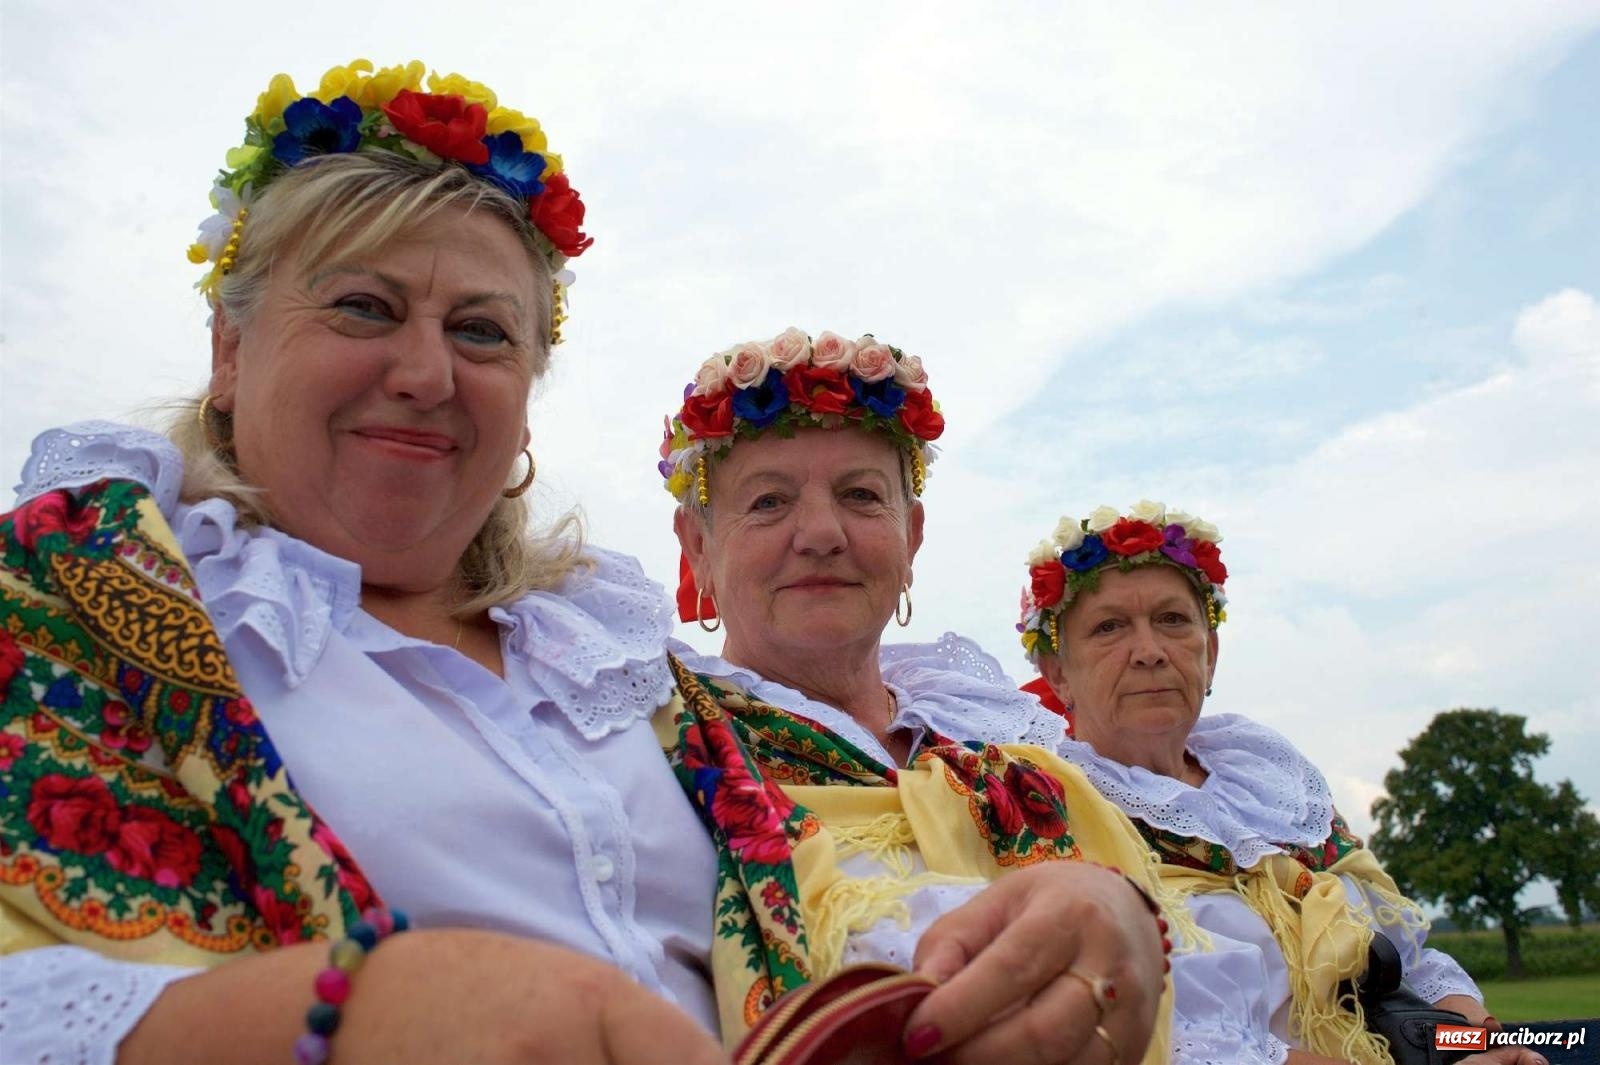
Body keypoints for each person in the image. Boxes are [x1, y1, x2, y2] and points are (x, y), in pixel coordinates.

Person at [0, 58, 728, 1065]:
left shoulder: (617, 658)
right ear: (229, 352)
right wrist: (345, 1010)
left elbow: (822, 888)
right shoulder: (80, 603)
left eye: (481, 332)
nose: (427, 374)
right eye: (363, 307)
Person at [661, 328, 1175, 1065]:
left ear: (912, 537)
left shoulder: (1020, 765)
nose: (821, 533)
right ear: (698, 547)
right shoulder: (658, 741)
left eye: (861, 495)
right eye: (769, 500)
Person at [1017, 503, 1500, 1065]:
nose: (1149, 652)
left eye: (1172, 620)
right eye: (1109, 627)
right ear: (1058, 673)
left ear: (1210, 653)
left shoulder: (1273, 783)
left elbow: (1412, 965)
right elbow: (1173, 1039)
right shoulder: (1047, 806)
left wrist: (1483, 1044)